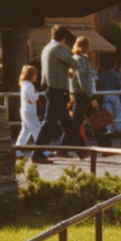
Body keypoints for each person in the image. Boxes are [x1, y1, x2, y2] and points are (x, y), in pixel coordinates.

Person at [32, 26, 85, 163]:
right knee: (50, 122)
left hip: (51, 89)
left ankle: (82, 151)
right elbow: (74, 63)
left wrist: (65, 73)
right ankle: (37, 154)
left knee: (66, 122)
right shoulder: (59, 49)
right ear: (64, 38)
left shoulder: (46, 48)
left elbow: (53, 69)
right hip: (58, 90)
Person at [69, 36, 95, 135]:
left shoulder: (73, 59)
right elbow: (82, 79)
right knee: (93, 120)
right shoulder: (81, 60)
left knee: (76, 122)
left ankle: (63, 145)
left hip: (77, 94)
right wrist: (90, 94)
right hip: (83, 95)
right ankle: (104, 144)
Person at [15, 65, 42, 155]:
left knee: (25, 131)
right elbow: (32, 99)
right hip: (30, 110)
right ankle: (42, 151)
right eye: (35, 75)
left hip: (24, 109)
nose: (36, 77)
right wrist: (37, 94)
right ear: (30, 75)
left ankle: (17, 151)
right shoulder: (30, 85)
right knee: (37, 129)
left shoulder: (23, 84)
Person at [98, 57, 121, 134]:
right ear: (114, 65)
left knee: (107, 112)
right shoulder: (116, 74)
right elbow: (119, 85)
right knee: (117, 111)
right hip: (114, 93)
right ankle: (118, 129)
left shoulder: (102, 75)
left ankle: (109, 130)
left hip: (105, 94)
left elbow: (100, 84)